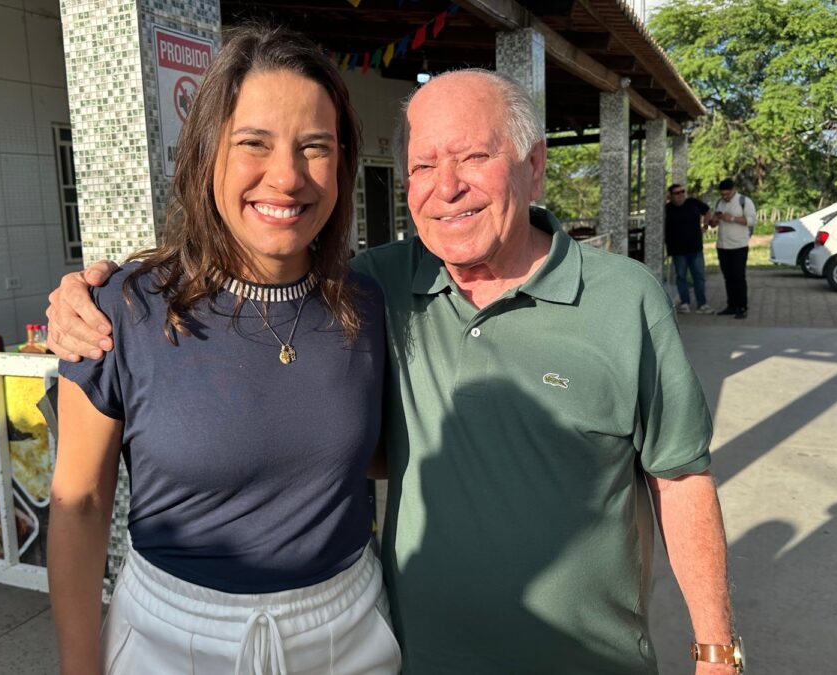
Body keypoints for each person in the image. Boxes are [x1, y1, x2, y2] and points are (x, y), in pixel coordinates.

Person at [49, 70, 740, 674]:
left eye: (475, 157)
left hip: (569, 658)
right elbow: (84, 499)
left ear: (534, 166)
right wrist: (81, 290)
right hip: (407, 655)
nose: (447, 188)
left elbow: (679, 475)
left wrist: (715, 651)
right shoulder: (372, 289)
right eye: (423, 165)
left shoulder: (616, 298)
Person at [48, 24, 399, 675]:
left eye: (315, 147)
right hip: (170, 638)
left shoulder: (368, 304)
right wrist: (78, 664)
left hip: (346, 631)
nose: (287, 176)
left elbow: (369, 453)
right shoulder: (120, 309)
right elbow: (81, 502)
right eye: (254, 145)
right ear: (207, 151)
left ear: (343, 161)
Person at [707, 178, 757, 319]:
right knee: (728, 277)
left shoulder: (744, 201)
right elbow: (713, 224)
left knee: (738, 277)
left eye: (727, 194)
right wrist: (714, 221)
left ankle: (742, 307)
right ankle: (731, 305)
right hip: (722, 246)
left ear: (734, 190)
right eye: (723, 194)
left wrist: (733, 219)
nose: (725, 197)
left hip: (739, 246)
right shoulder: (719, 202)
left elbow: (752, 221)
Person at [666, 183, 714, 314]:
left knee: (699, 276)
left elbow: (707, 211)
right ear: (670, 196)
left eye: (682, 191)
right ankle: (685, 303)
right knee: (681, 277)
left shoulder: (693, 203)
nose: (681, 195)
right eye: (677, 193)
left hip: (695, 248)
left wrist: (705, 225)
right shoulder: (667, 209)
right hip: (678, 250)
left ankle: (702, 304)